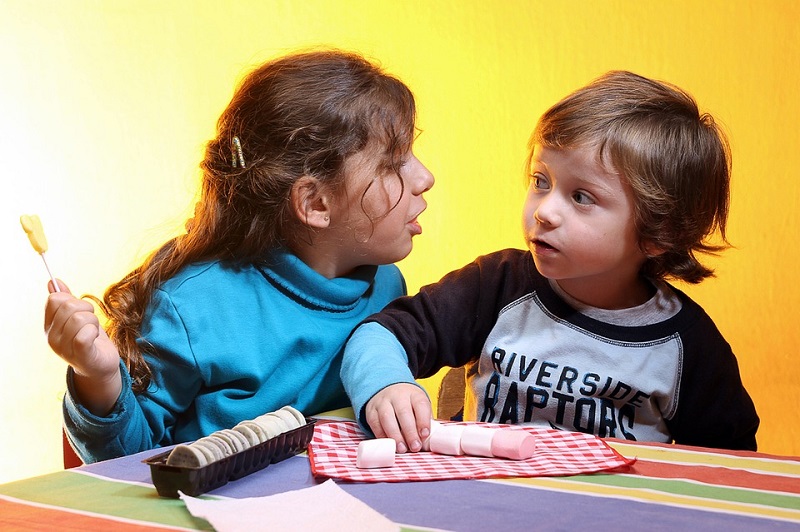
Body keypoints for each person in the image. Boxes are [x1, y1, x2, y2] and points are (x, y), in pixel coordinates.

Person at [44, 49, 435, 463]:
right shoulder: (193, 306)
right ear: (316, 202)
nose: (425, 177)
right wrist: (100, 378)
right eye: (394, 162)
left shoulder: (387, 285)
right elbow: (128, 463)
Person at [341, 70, 759, 453]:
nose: (544, 211)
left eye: (582, 197)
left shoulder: (688, 346)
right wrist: (385, 384)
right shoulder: (495, 285)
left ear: (657, 234)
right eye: (541, 182)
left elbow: (730, 466)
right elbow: (379, 336)